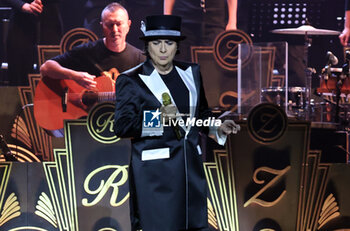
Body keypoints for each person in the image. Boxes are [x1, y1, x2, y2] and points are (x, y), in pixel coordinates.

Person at [113, 15, 239, 231]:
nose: (163, 49)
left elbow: (200, 114)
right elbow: (122, 126)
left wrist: (216, 126)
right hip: (155, 177)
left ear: (177, 46)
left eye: (169, 43)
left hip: (191, 174)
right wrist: (158, 118)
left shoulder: (191, 73)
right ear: (147, 45)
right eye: (156, 43)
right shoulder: (131, 80)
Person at [40, 2, 145, 89]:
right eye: (109, 25)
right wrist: (75, 76)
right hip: (87, 113)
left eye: (118, 24)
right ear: (102, 26)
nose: (114, 30)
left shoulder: (140, 59)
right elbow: (46, 68)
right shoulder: (86, 51)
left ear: (128, 25)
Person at [4, 0, 62, 86]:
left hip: (50, 21)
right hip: (20, 20)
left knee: (51, 75)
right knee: (19, 75)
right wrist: (22, 5)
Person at [164, 0, 237, 62]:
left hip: (214, 21)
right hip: (184, 20)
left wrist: (232, 22)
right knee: (182, 65)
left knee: (212, 67)